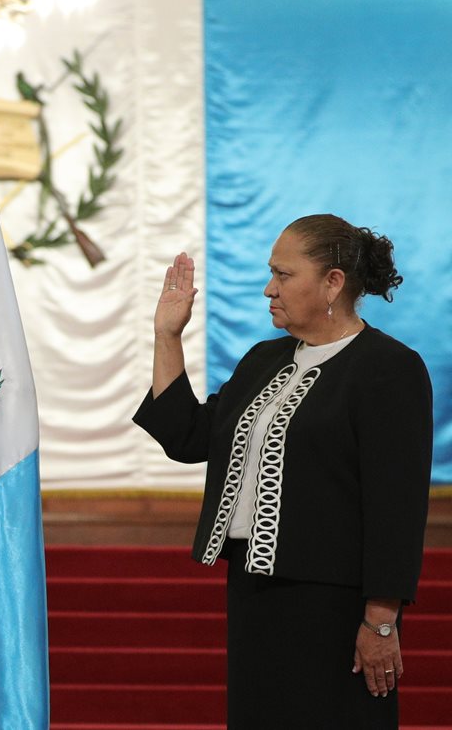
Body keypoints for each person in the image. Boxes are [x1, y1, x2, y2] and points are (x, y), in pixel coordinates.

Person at [133, 214, 432, 729]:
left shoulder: (389, 368)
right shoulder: (263, 359)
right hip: (254, 593)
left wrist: (381, 621)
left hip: (334, 607)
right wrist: (167, 334)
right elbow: (188, 438)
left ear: (333, 283)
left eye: (284, 275)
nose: (269, 289)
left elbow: (396, 507)